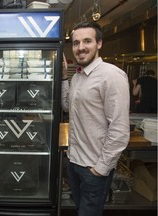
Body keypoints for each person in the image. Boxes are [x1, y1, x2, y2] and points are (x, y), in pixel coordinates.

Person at [61, 22, 130, 216]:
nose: (80, 47)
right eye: (76, 43)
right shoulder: (78, 76)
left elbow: (119, 128)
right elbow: (67, 106)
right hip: (74, 161)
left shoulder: (111, 76)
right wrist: (64, 78)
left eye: (87, 41)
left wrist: (101, 168)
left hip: (93, 167)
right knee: (80, 210)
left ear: (99, 43)